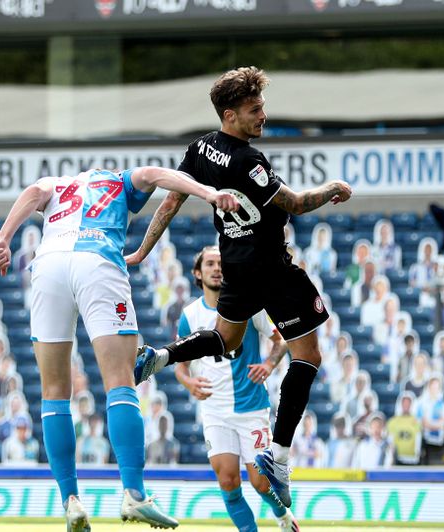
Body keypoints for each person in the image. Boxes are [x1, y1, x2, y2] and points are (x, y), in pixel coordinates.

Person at [124, 66, 353, 511]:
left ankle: (161, 356)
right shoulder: (251, 162)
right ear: (230, 115)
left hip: (235, 265)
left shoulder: (200, 148)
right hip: (272, 269)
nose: (263, 115)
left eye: (262, 106)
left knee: (227, 340)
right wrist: (332, 189)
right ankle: (279, 457)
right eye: (254, 109)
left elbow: (171, 200)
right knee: (309, 356)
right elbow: (297, 204)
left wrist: (141, 252)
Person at [0, 165, 236, 530]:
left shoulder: (58, 184)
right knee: (120, 382)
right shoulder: (118, 179)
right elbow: (156, 175)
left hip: (49, 267)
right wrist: (209, 193)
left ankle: (70, 500)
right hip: (97, 260)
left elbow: (33, 194)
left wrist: (3, 239)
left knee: (53, 392)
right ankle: (134, 493)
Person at [173, 245, 296, 531]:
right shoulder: (189, 315)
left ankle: (282, 515)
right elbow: (181, 363)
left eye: (221, 264)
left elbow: (282, 339)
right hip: (215, 410)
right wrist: (189, 381)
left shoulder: (249, 305)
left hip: (251, 406)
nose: (217, 269)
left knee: (261, 482)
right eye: (210, 264)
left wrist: (269, 365)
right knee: (228, 481)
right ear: (197, 273)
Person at [387, 392, 423, 465]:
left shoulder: (417, 421)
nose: (406, 405)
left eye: (408, 403)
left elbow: (418, 439)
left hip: (412, 460)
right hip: (397, 459)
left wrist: (417, 455)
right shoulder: (392, 421)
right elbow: (390, 441)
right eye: (404, 403)